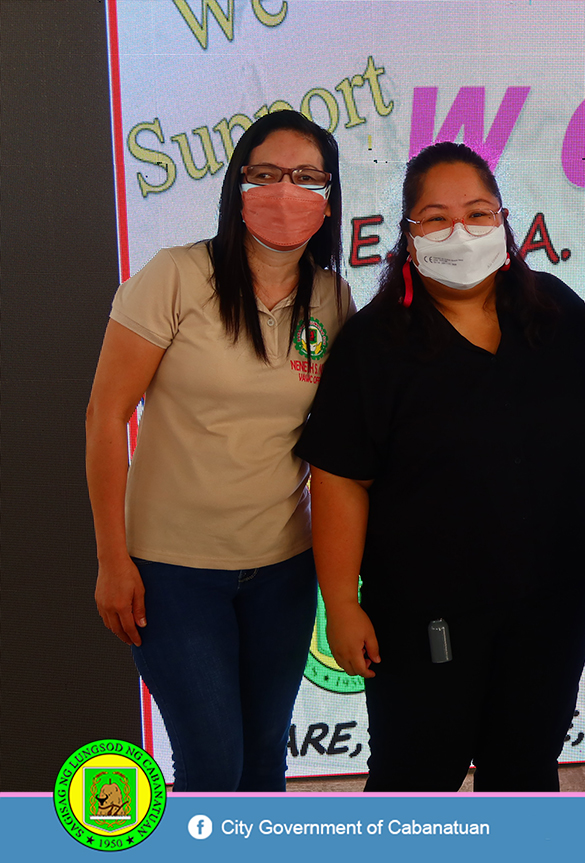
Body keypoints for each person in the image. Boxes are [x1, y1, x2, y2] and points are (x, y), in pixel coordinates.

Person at [295, 142, 585, 792]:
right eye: (435, 218)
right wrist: (340, 604)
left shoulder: (556, 313)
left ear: (505, 222)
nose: (458, 232)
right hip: (422, 619)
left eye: (477, 213)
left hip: (551, 605)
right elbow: (340, 478)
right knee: (414, 779)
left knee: (524, 774)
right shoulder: (375, 344)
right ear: (408, 236)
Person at [85, 109, 352, 790]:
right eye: (265, 174)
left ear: (328, 197)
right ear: (238, 186)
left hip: (282, 572)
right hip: (172, 575)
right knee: (210, 765)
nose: (284, 191)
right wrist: (112, 559)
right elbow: (105, 414)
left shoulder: (331, 298)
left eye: (305, 177)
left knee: (264, 763)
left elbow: (339, 442)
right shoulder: (176, 277)